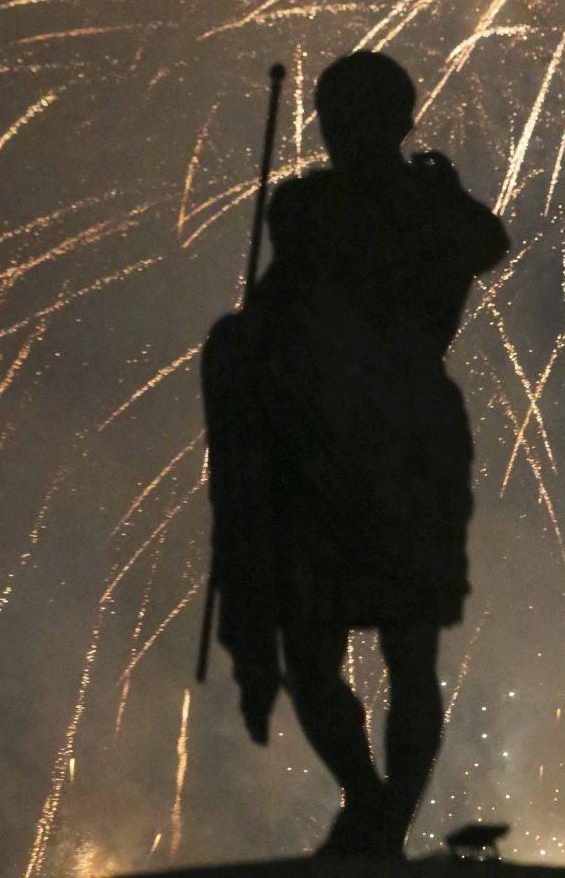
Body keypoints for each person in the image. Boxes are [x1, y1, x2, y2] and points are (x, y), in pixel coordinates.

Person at [224, 50, 507, 856]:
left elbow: (488, 241)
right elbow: (276, 311)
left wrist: (437, 194)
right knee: (314, 648)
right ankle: (373, 804)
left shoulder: (378, 208)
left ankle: (377, 817)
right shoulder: (309, 207)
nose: (338, 131)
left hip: (399, 447)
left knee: (401, 646)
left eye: (351, 116)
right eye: (332, 116)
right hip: (337, 446)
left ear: (391, 122)